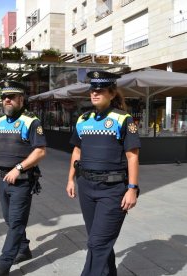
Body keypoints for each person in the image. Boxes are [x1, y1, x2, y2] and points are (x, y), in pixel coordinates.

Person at [66, 71, 141, 276]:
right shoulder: (83, 119)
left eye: (100, 90)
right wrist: (71, 179)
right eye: (92, 90)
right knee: (98, 239)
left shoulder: (123, 119)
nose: (95, 94)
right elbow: (77, 151)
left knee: (98, 243)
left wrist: (132, 189)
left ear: (111, 93)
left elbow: (132, 157)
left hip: (113, 190)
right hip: (86, 187)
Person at [0, 81, 47, 276]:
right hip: (3, 179)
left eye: (11, 96)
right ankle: (23, 249)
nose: (6, 100)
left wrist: (19, 168)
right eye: (4, 97)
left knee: (16, 222)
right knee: (9, 219)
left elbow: (40, 152)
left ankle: (3, 265)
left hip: (23, 181)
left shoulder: (31, 121)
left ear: (20, 99)